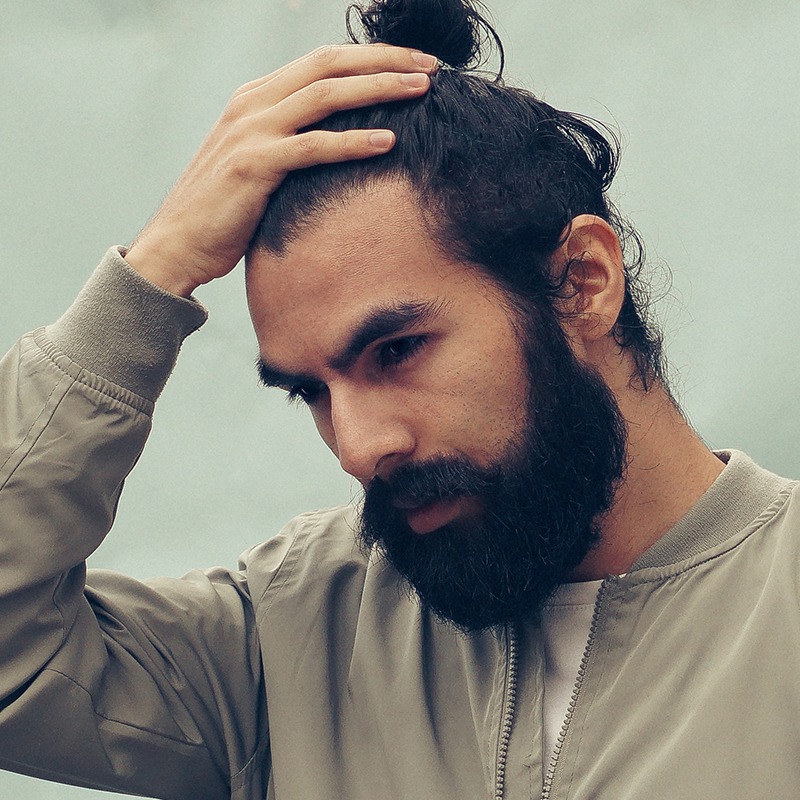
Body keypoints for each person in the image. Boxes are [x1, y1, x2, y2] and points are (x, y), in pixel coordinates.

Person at [0, 0, 798, 798]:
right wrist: (151, 274)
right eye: (311, 391)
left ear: (582, 283)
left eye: (396, 351)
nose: (357, 448)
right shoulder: (295, 633)